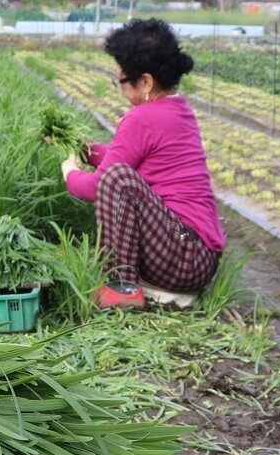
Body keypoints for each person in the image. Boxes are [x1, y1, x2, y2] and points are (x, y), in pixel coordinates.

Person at [60, 18, 224, 310]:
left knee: (118, 179)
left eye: (121, 80)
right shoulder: (177, 109)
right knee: (119, 175)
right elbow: (134, 156)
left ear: (146, 82)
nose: (119, 87)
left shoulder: (142, 117)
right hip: (197, 256)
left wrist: (70, 174)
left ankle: (122, 287)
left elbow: (101, 184)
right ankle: (139, 285)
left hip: (184, 255)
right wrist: (86, 151)